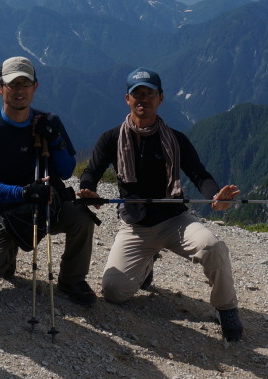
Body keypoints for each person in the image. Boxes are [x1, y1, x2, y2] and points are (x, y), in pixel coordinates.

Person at [77, 67, 244, 341]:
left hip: (175, 220)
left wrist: (215, 197)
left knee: (213, 247)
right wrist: (88, 190)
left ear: (160, 98)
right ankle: (147, 263)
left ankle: (226, 308)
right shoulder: (111, 138)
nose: (143, 99)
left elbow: (199, 175)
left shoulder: (176, 140)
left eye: (149, 94)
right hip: (136, 226)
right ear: (127, 99)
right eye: (137, 94)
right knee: (114, 292)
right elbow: (91, 172)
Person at [0, 57, 98, 306]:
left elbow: (67, 170)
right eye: (12, 84)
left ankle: (72, 280)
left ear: (35, 87)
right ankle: (8, 253)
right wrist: (23, 192)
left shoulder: (49, 122)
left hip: (42, 202)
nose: (19, 90)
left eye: (25, 83)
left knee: (82, 218)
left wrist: (56, 141)